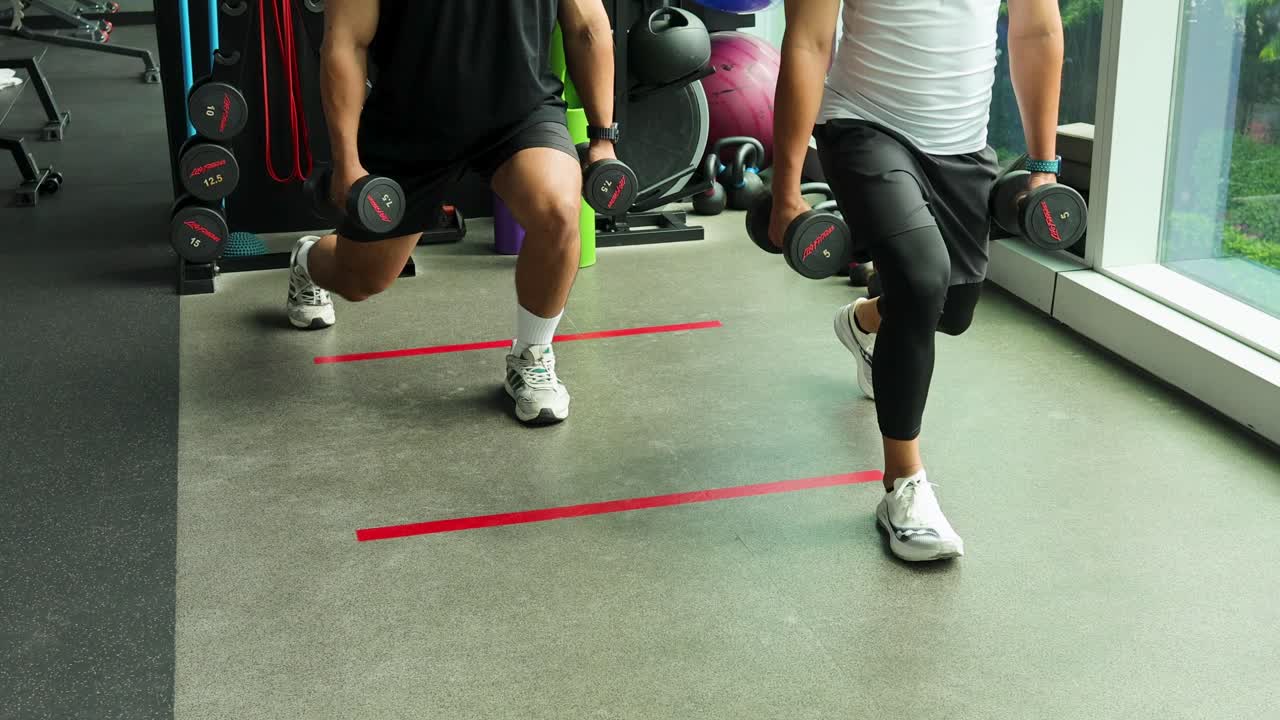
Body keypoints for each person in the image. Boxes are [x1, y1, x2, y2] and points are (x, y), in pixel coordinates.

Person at [772, 0, 1065, 560]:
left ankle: (865, 324)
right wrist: (787, 188)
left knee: (951, 312)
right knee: (922, 279)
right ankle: (904, 488)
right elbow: (808, 40)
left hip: (961, 144)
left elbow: (1037, 31)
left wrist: (1043, 165)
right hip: (863, 123)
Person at [286, 0, 618, 425]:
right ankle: (307, 262)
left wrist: (602, 137)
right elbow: (347, 41)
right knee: (361, 279)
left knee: (559, 210)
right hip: (410, 124)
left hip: (519, 112)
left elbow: (588, 25)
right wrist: (348, 161)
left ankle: (532, 355)